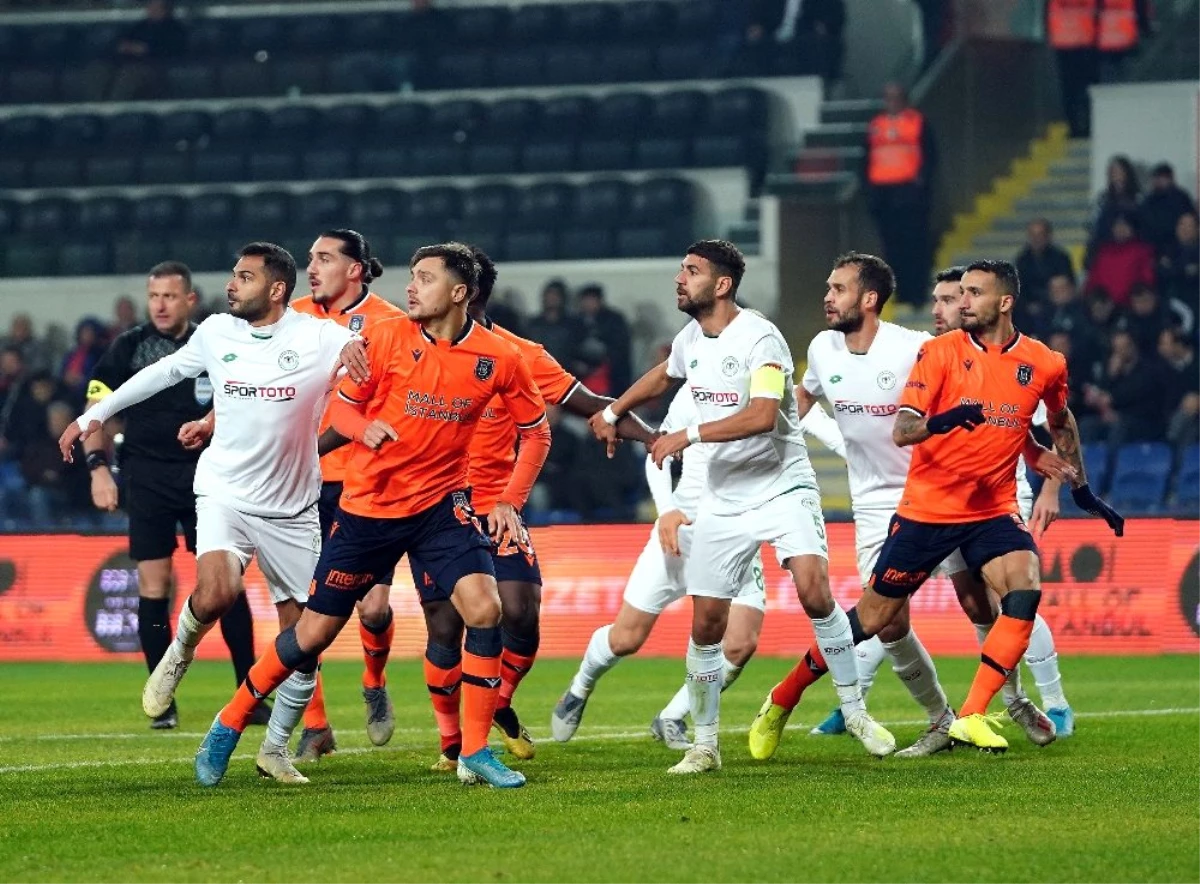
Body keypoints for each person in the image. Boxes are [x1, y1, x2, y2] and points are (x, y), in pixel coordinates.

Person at [193, 242, 552, 790]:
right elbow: (341, 407)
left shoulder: (501, 358)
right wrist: (365, 430)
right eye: (411, 276)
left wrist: (508, 500)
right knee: (313, 633)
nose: (411, 287)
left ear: (459, 294)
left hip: (442, 506)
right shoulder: (382, 338)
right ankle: (230, 720)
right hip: (370, 508)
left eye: (425, 278)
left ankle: (475, 751)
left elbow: (536, 430)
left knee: (485, 609)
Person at [752, 260, 1121, 754]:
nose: (958, 304)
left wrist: (1080, 490)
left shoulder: (1042, 361)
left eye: (970, 294)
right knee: (876, 619)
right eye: (955, 295)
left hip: (988, 506)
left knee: (1019, 586)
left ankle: (979, 712)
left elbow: (1048, 420)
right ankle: (785, 696)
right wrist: (946, 419)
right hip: (922, 505)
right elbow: (902, 429)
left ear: (1004, 302)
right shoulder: (933, 352)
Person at [59, 243, 368, 784]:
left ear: (276, 289)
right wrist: (95, 418)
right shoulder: (217, 331)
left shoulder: (318, 337)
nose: (232, 284)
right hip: (224, 489)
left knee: (307, 640)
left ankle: (275, 750)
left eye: (244, 277)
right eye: (233, 274)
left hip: (293, 506)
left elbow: (371, 347)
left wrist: (360, 351)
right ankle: (178, 653)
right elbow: (161, 374)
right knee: (217, 593)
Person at [587, 240, 893, 775]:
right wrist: (614, 410)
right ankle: (704, 744)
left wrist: (688, 434)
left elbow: (760, 414)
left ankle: (856, 712)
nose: (680, 280)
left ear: (722, 285)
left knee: (814, 591)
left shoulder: (762, 338)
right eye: (682, 269)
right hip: (724, 498)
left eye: (692, 271)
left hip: (781, 484)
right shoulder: (691, 337)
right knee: (707, 623)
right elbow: (665, 374)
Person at [413, 245, 653, 772]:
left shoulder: (518, 353)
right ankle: (452, 742)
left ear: (467, 291)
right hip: (433, 506)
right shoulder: (411, 345)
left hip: (498, 506)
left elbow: (588, 403)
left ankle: (497, 702)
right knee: (445, 629)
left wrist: (650, 436)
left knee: (522, 613)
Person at [81, 261, 262, 729]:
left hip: (211, 478)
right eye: (153, 295)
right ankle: (163, 701)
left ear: (189, 300)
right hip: (146, 480)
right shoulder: (129, 347)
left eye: (169, 295)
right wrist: (99, 469)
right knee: (153, 587)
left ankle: (250, 692)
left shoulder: (215, 342)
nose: (160, 304)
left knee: (224, 587)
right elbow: (96, 411)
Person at [552, 383, 769, 751]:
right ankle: (580, 686)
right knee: (626, 638)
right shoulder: (696, 392)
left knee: (739, 644)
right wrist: (666, 510)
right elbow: (660, 452)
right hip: (681, 534)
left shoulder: (767, 398)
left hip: (736, 536)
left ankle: (671, 717)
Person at [288, 230, 404, 763]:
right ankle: (316, 726)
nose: (312, 267)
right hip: (301, 482)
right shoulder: (293, 314)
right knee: (306, 609)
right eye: (310, 259)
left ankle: (374, 681)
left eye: (324, 259)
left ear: (355, 269)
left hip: (363, 478)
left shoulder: (387, 323)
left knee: (373, 607)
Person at [863, 83, 936, 308]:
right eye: (888, 98)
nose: (891, 102)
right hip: (884, 197)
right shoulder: (876, 125)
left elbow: (931, 156)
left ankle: (917, 293)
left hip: (909, 195)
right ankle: (901, 293)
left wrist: (921, 186)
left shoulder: (917, 122)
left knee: (915, 245)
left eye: (895, 97)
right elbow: (866, 159)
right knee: (892, 247)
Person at [109, 0, 189, 101]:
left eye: (156, 7)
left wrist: (147, 50)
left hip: (156, 67)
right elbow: (122, 42)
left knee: (130, 75)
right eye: (150, 6)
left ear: (166, 10)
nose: (151, 9)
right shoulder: (140, 26)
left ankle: (116, 108)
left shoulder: (175, 29)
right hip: (129, 63)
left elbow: (174, 50)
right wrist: (125, 47)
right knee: (98, 71)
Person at [1047, 0, 1100, 138]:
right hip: (1085, 43)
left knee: (1070, 91)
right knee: (1086, 89)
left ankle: (1074, 127)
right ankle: (1087, 125)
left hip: (1064, 44)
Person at [1086, 212, 1156, 307]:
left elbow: (1147, 279)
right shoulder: (1103, 252)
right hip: (1104, 307)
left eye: (1124, 225)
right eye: (1117, 226)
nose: (1120, 229)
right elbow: (1093, 280)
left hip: (1131, 308)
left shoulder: (1142, 251)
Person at [1015, 218, 1076, 324]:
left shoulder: (1061, 257)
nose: (1036, 239)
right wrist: (1028, 304)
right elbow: (1019, 286)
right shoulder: (1022, 260)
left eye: (1040, 235)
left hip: (1055, 304)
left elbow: (1068, 284)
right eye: (1033, 235)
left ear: (1048, 236)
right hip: (1028, 307)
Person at [1086, 156, 1141, 267]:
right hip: (1107, 248)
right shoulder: (1103, 199)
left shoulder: (1138, 198)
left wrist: (1130, 231)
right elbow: (1094, 224)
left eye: (1119, 171)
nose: (1116, 175)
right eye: (1113, 172)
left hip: (1133, 248)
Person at [1141, 163, 1196, 258]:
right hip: (1154, 248)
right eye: (1156, 177)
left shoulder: (1181, 197)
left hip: (1179, 247)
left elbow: (1190, 220)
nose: (1159, 181)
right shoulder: (1148, 200)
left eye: (1163, 177)